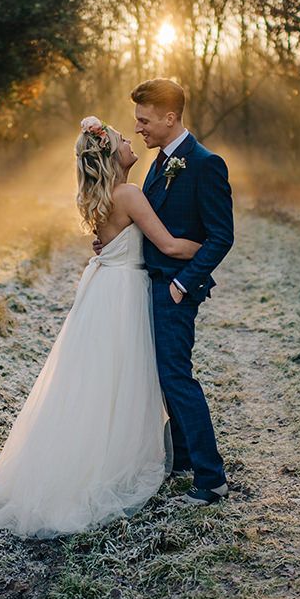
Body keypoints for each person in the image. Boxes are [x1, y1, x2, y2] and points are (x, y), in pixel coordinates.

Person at [0, 115, 204, 538]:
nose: (130, 140)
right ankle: (116, 462)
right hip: (124, 293)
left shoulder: (97, 197)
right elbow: (169, 244)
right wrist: (211, 242)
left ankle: (83, 456)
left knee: (96, 380)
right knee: (125, 378)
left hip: (102, 289)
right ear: (110, 154)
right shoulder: (130, 194)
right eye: (120, 138)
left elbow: (112, 240)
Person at [93, 78, 234, 506]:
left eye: (145, 119)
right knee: (163, 377)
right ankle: (185, 460)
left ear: (170, 118)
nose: (138, 128)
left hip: (174, 289)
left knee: (176, 377)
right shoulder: (158, 162)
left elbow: (221, 236)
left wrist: (181, 283)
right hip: (147, 285)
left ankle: (212, 480)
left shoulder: (205, 164)